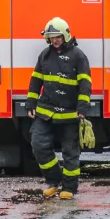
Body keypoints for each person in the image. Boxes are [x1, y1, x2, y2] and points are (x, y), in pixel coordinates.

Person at [26, 17, 91, 200]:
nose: (55, 40)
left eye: (58, 37)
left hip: (70, 113)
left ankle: (69, 188)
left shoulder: (78, 56)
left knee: (70, 152)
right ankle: (53, 181)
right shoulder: (45, 55)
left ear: (65, 35)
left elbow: (85, 84)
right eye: (51, 37)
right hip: (45, 111)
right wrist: (30, 103)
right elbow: (36, 81)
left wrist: (83, 108)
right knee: (38, 145)